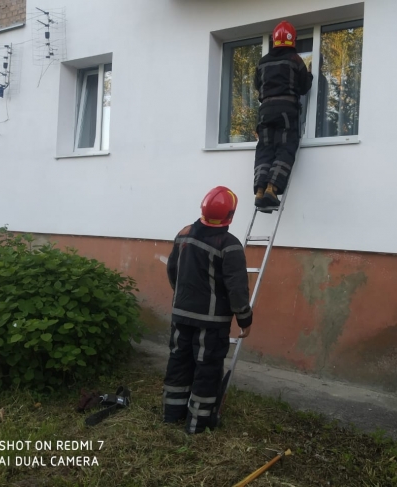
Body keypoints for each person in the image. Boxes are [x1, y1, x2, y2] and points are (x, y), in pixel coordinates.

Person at [162, 186, 253, 434]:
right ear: (230, 215)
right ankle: (197, 425)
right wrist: (244, 319)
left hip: (181, 315)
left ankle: (171, 415)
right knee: (207, 369)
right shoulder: (229, 245)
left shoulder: (183, 235)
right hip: (211, 323)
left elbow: (173, 271)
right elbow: (237, 288)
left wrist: (182, 298)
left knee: (178, 361)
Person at [253, 20, 313, 210]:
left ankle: (260, 191)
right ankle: (272, 189)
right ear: (292, 40)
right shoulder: (295, 60)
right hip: (286, 109)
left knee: (265, 148)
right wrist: (310, 74)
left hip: (265, 111)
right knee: (285, 146)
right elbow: (304, 87)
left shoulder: (263, 62)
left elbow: (257, 85)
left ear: (274, 40)